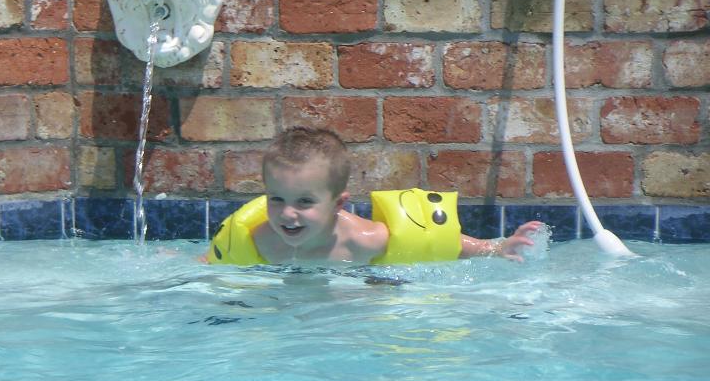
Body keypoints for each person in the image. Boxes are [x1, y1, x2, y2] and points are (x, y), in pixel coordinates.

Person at [214, 127, 543, 266]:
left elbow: (437, 242)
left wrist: (494, 248)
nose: (287, 213)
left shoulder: (362, 240)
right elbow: (209, 265)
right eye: (277, 199)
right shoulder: (259, 241)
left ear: (338, 204)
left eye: (304, 202)